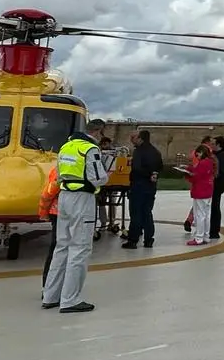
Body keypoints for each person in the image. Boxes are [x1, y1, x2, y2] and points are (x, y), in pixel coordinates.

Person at [43, 119, 109, 313]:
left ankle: (50, 295)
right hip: (82, 199)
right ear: (97, 132)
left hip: (64, 197)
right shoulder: (89, 149)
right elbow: (98, 177)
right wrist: (107, 174)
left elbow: (59, 174)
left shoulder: (65, 147)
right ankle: (70, 299)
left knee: (61, 247)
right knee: (80, 248)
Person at [122, 129, 164, 249]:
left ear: (140, 138)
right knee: (147, 212)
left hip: (139, 185)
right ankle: (149, 239)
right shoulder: (156, 152)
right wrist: (154, 174)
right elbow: (160, 167)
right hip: (150, 187)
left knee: (136, 213)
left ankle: (133, 240)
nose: (131, 140)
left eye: (134, 138)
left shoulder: (139, 152)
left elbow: (137, 169)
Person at [179, 143, 216, 246]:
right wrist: (188, 168)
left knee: (199, 215)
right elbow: (198, 171)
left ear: (202, 153)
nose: (197, 156)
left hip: (200, 191)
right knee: (206, 215)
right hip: (208, 191)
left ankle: (199, 237)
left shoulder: (202, 163)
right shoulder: (209, 162)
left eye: (198, 154)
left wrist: (186, 174)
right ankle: (206, 236)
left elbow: (196, 177)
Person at [38, 163, 60, 297]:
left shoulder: (59, 168)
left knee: (56, 249)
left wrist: (44, 211)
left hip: (56, 213)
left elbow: (49, 192)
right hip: (70, 214)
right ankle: (52, 286)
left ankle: (48, 286)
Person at [209, 135, 224, 241]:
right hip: (211, 184)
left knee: (215, 207)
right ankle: (210, 229)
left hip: (217, 185)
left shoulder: (222, 156)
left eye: (213, 144)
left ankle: (214, 231)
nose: (211, 145)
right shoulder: (213, 154)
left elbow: (220, 172)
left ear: (219, 145)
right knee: (211, 207)